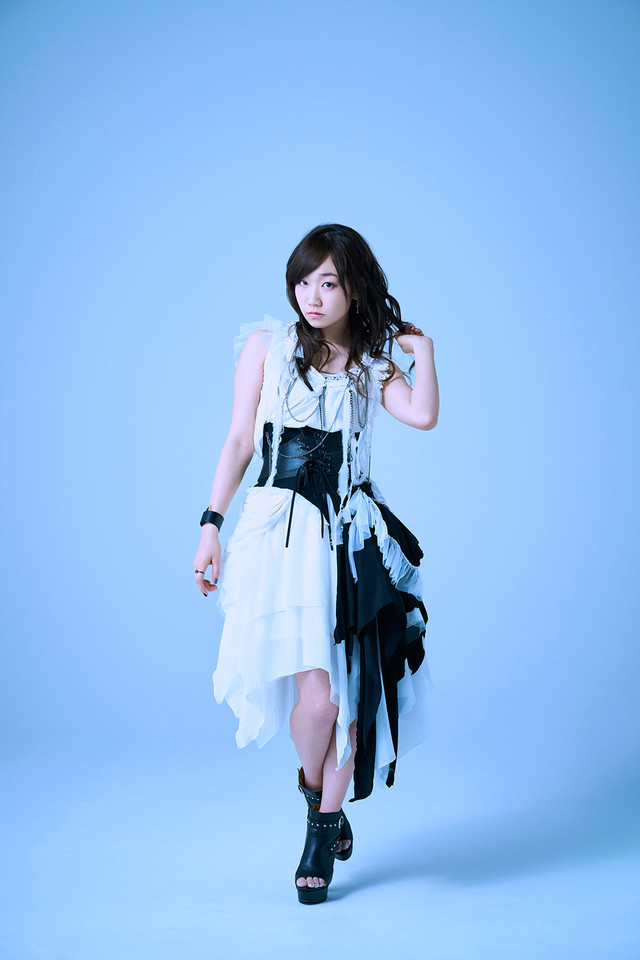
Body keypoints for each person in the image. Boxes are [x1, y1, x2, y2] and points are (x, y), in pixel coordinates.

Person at [193, 223, 439, 904]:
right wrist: (211, 524)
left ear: (353, 288)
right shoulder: (266, 348)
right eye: (303, 281)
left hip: (345, 538)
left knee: (342, 696)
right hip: (279, 536)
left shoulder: (370, 365)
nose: (313, 295)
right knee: (313, 704)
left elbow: (422, 415)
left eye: (328, 282)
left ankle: (320, 833)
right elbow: (239, 440)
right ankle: (317, 797)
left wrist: (421, 350)